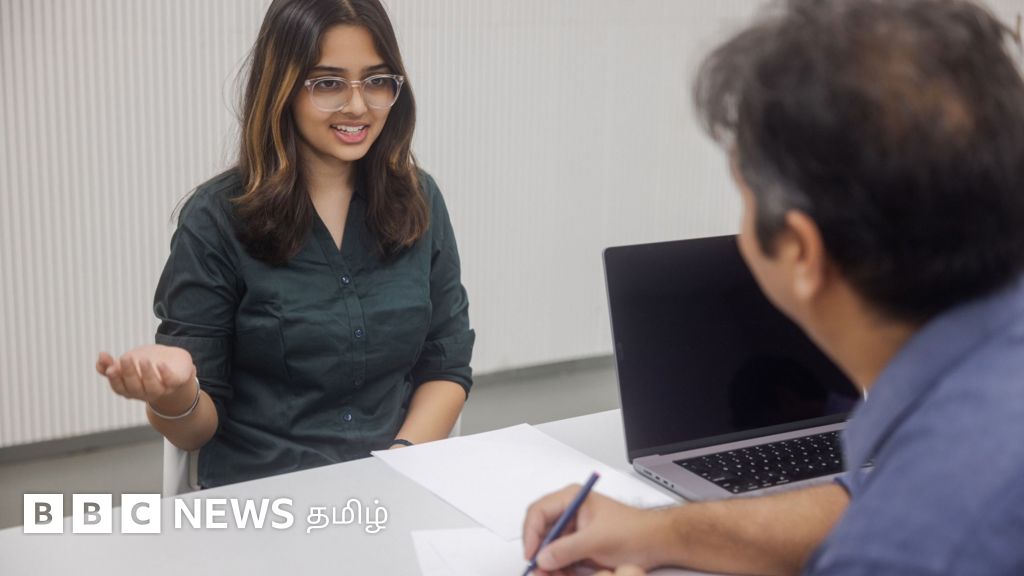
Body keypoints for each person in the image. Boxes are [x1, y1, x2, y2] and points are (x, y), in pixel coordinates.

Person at [523, 0, 1024, 574]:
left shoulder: (907, 546)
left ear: (800, 251)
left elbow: (895, 526)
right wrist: (657, 531)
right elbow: (866, 502)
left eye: (743, 195)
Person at [95, 0, 474, 489]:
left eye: (377, 80)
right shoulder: (215, 219)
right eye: (328, 83)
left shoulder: (420, 199)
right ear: (282, 88)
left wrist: (395, 467)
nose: (358, 106)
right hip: (266, 497)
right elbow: (194, 431)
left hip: (395, 483)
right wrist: (175, 394)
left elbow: (446, 366)